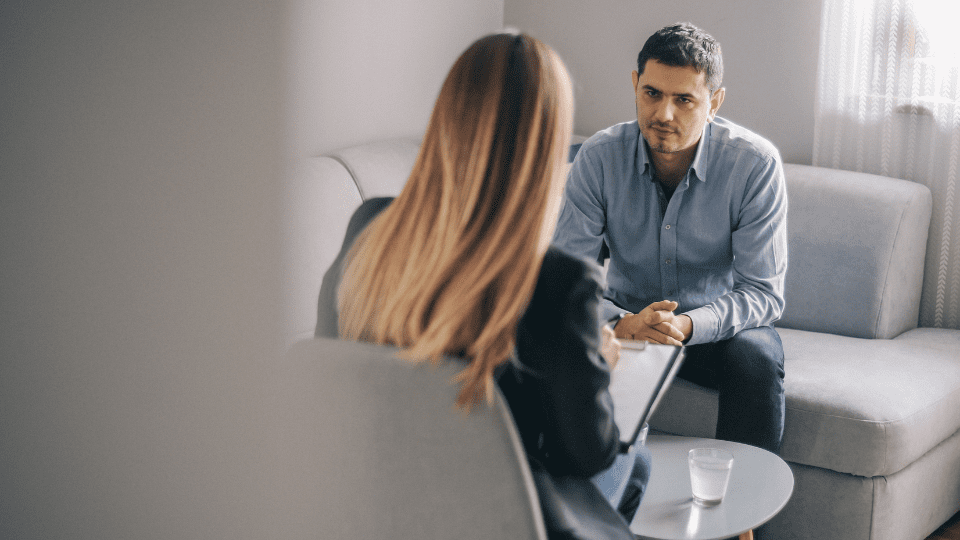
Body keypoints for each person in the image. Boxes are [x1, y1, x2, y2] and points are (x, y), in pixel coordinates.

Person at [315, 33, 650, 538]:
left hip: (380, 504)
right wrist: (598, 364)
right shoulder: (559, 284)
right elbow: (586, 452)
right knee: (637, 456)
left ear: (446, 122)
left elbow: (330, 362)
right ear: (547, 147)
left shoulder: (368, 227)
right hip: (503, 519)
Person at [553, 22, 787, 455]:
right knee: (549, 333)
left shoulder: (754, 165)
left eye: (684, 100)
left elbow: (763, 294)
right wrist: (621, 323)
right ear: (635, 85)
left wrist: (685, 325)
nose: (664, 114)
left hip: (714, 332)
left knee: (757, 356)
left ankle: (744, 521)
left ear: (714, 102)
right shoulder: (599, 158)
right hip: (626, 323)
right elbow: (566, 279)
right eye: (652, 94)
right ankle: (588, 509)